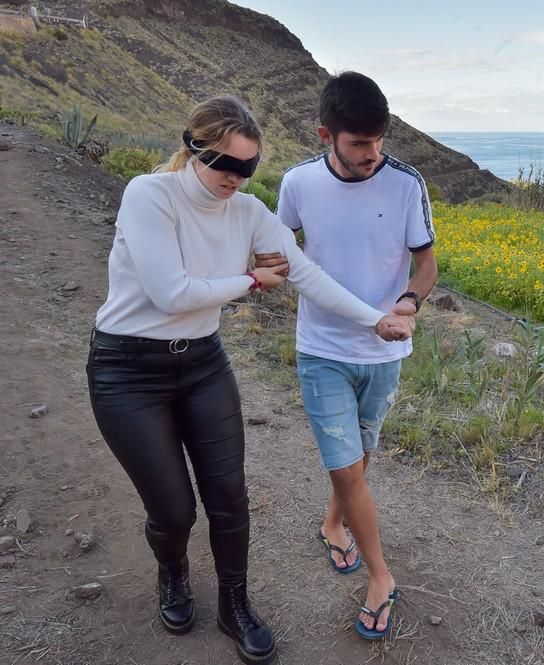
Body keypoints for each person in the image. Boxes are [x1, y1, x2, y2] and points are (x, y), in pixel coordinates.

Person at [86, 95, 414, 665]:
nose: (235, 179)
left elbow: (308, 275)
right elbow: (172, 293)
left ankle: (235, 604)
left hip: (203, 364)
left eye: (248, 168)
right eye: (225, 165)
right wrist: (252, 280)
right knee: (173, 510)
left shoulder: (248, 212)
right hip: (128, 370)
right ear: (193, 150)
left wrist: (375, 318)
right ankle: (174, 576)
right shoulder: (149, 195)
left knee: (230, 498)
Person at [256, 71, 437, 640]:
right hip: (322, 348)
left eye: (379, 142)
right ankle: (380, 576)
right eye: (359, 144)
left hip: (386, 352)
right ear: (324, 135)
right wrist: (262, 273)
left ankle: (334, 522)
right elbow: (280, 253)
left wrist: (409, 301)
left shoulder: (408, 184)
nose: (372, 155)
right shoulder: (298, 184)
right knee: (342, 461)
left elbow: (426, 264)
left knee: (359, 456)